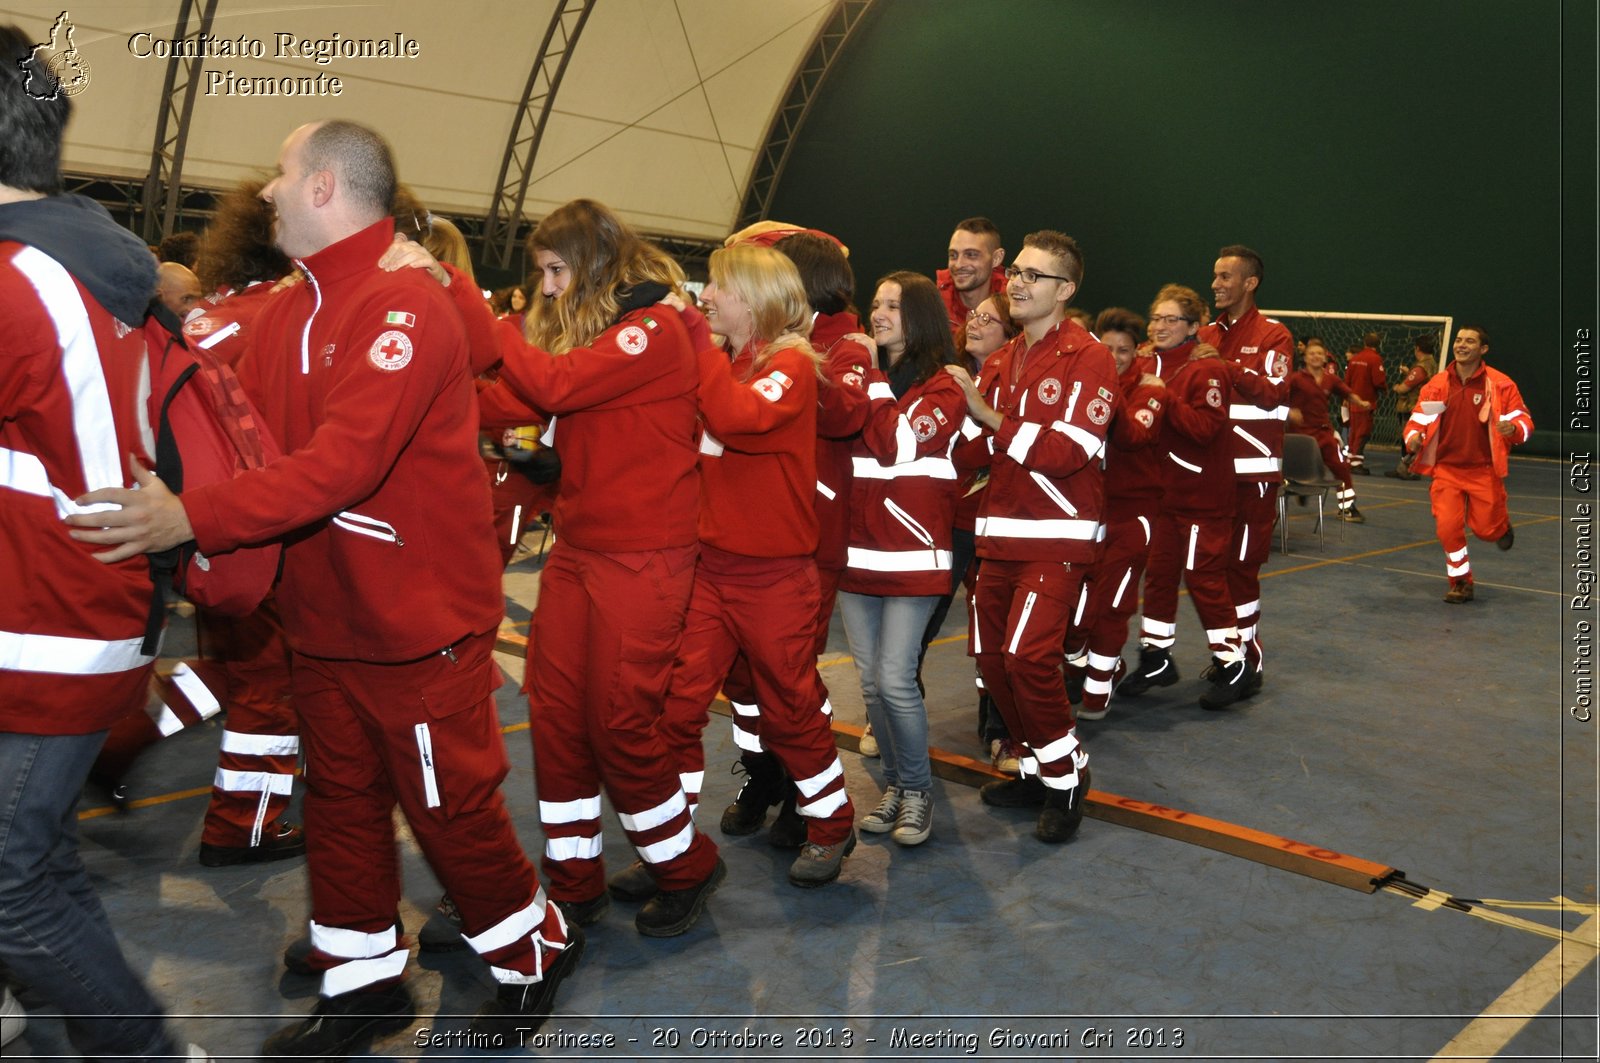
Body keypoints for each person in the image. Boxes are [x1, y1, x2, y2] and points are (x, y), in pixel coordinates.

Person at [68, 120, 581, 1054]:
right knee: (340, 799)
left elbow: (344, 463)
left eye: (280, 173)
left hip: (414, 626)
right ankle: (364, 980)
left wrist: (192, 518)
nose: (264, 192)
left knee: (449, 807)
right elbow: (227, 417)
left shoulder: (404, 309)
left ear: (324, 189)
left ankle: (533, 947)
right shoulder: (289, 309)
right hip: (322, 619)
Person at [413, 196, 726, 937]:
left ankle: (686, 863)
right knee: (554, 714)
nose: (548, 287)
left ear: (591, 263)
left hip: (644, 557)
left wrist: (462, 293)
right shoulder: (609, 335)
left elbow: (550, 387)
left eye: (556, 271)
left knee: (620, 721)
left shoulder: (655, 329)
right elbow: (514, 398)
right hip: (583, 549)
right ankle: (574, 876)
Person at [0, 22, 205, 1060]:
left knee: (8, 887)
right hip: (82, 618)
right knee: (36, 867)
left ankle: (143, 1050)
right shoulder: (92, 267)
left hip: (43, 629)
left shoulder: (14, 282)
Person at [657, 242, 859, 887]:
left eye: (718, 287)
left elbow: (738, 418)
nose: (705, 297)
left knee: (790, 709)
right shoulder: (728, 362)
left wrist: (691, 338)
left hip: (774, 578)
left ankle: (831, 824)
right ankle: (671, 849)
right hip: (712, 571)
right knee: (678, 708)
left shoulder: (791, 366)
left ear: (755, 298)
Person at [946, 230, 1117, 843]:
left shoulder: (1089, 357)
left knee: (1027, 658)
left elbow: (1069, 451)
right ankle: (1035, 764)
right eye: (1015, 270)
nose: (1016, 282)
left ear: (1066, 290)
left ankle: (1068, 775)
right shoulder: (998, 359)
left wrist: (988, 416)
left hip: (1056, 541)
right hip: (998, 540)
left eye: (1033, 275)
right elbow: (976, 448)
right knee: (993, 663)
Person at [716, 229, 871, 850]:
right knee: (741, 683)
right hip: (738, 540)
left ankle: (809, 799)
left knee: (790, 679)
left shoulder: (842, 347)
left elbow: (844, 416)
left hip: (806, 541)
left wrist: (806, 359)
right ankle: (764, 776)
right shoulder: (747, 345)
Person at [841, 271, 965, 847]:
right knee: (869, 686)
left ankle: (918, 791)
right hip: (856, 555)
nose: (879, 314)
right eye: (876, 303)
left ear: (921, 316)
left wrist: (866, 375)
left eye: (893, 305)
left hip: (913, 555)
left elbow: (898, 444)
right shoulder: (863, 382)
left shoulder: (945, 387)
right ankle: (893, 784)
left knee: (895, 680)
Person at [1117, 285, 1248, 709]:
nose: (1159, 326)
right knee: (1158, 575)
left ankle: (1234, 663)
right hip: (1161, 493)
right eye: (1156, 317)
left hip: (1202, 496)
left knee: (1204, 578)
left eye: (1171, 320)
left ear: (1194, 327)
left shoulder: (1205, 369)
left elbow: (1206, 429)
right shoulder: (1142, 360)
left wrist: (1164, 396)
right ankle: (1156, 656)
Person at [926, 291, 1021, 773]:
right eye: (975, 316)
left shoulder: (1021, 376)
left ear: (1010, 332)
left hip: (999, 518)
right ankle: (895, 718)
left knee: (995, 629)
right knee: (923, 615)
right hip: (951, 518)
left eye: (991, 318)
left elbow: (995, 446)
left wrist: (982, 425)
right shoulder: (947, 372)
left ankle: (1003, 731)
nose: (977, 322)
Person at [1194, 245, 1292, 695]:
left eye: (1225, 277)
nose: (1215, 284)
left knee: (1241, 570)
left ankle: (1248, 661)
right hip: (1207, 475)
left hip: (1253, 476)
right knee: (1206, 569)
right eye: (1214, 276)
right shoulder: (1203, 334)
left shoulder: (1274, 336)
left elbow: (1273, 393)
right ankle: (1227, 656)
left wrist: (1222, 366)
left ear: (1250, 282)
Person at [1069, 307, 1166, 721]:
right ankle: (1100, 666)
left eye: (1123, 350)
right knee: (1073, 613)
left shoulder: (1150, 389)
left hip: (1133, 515)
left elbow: (1133, 435)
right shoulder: (1081, 381)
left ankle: (1097, 693)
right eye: (1106, 347)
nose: (1114, 355)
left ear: (1134, 352)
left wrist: (1107, 393)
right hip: (1086, 514)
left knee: (1112, 606)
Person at [1402, 325, 1531, 603]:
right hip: (1446, 470)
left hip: (1484, 470)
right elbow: (1418, 420)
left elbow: (1524, 420)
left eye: (1469, 341)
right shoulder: (1437, 384)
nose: (1461, 345)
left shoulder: (1500, 384)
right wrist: (1413, 438)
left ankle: (1501, 526)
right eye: (1459, 340)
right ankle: (1461, 581)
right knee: (1447, 528)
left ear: (1482, 349)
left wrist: (1515, 429)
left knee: (1486, 530)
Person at [1287, 338, 1368, 522]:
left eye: (1319, 354)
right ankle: (1302, 490)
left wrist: (1360, 402)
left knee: (1340, 467)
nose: (1316, 356)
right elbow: (1279, 396)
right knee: (1300, 470)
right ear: (1305, 358)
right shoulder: (1295, 379)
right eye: (1311, 353)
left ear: (1325, 359)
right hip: (1300, 436)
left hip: (1324, 433)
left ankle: (1348, 507)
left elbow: (1347, 392)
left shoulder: (1331, 380)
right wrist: (1290, 411)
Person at [938, 216, 1006, 338]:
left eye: (971, 255)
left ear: (996, 259)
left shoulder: (1014, 310)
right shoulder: (934, 307)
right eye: (953, 255)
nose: (959, 265)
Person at [1387, 334, 1438, 480]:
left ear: (1417, 348)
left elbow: (1405, 388)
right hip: (1425, 408)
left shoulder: (1421, 367)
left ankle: (1407, 469)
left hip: (1412, 407)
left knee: (1409, 440)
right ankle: (1408, 468)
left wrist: (1397, 387)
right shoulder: (1432, 364)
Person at [1343, 331, 1386, 474]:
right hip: (1366, 402)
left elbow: (1347, 380)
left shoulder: (1355, 359)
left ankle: (1350, 460)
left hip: (1352, 401)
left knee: (1353, 433)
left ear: (1364, 343)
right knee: (1362, 433)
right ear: (1378, 344)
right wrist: (1384, 390)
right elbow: (1378, 381)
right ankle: (1356, 464)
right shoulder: (1375, 359)